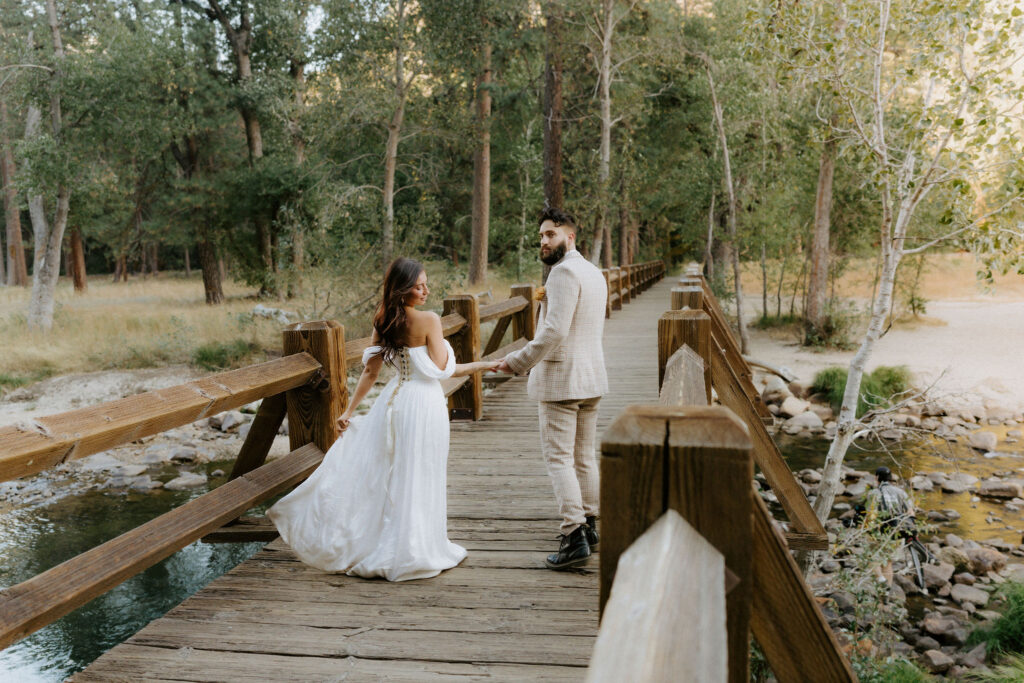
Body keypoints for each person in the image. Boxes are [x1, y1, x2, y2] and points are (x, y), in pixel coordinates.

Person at [267, 258, 500, 581]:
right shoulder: (430, 320)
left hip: (395, 402)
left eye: (425, 284)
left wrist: (349, 411)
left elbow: (370, 372)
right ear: (402, 289)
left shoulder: (383, 321)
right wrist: (481, 366)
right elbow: (443, 371)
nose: (426, 291)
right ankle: (417, 547)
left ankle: (393, 542)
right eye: (419, 286)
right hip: (424, 404)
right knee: (422, 472)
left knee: (396, 472)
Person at [496, 208, 609, 570]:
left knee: (559, 459)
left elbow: (554, 331)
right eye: (542, 236)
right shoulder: (593, 272)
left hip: (563, 381)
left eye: (551, 235)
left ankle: (574, 535)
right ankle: (590, 526)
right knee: (584, 456)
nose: (544, 241)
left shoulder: (562, 273)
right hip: (591, 378)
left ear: (570, 237)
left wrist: (517, 361)